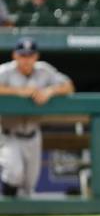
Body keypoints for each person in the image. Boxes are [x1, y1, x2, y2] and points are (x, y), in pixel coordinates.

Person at [0, 37, 75, 198]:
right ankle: (6, 209)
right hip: (9, 133)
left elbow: (69, 86)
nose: (26, 60)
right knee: (14, 173)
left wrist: (50, 91)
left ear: (36, 56)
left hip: (33, 134)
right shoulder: (5, 71)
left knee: (29, 186)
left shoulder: (44, 70)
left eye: (30, 55)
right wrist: (18, 92)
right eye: (23, 55)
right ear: (15, 55)